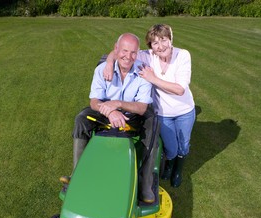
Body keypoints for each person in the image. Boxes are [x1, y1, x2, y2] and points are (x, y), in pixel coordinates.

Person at [61, 33, 159, 203]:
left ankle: (145, 183)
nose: (128, 57)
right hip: (105, 113)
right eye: (124, 51)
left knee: (153, 124)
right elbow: (94, 101)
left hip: (133, 115)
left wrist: (118, 104)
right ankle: (77, 174)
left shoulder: (143, 71)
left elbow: (142, 107)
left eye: (133, 53)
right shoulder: (102, 70)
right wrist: (111, 111)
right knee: (81, 119)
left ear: (137, 53)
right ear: (116, 49)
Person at [103, 24, 195, 188]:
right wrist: (109, 62)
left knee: (184, 145)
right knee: (171, 147)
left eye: (163, 40)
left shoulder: (182, 55)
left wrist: (152, 78)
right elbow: (121, 52)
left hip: (184, 111)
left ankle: (177, 170)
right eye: (155, 43)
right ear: (150, 46)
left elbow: (180, 90)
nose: (160, 47)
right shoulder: (148, 56)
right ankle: (169, 164)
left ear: (170, 39)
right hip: (163, 113)